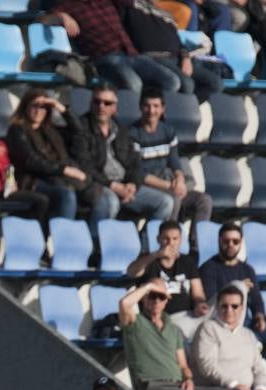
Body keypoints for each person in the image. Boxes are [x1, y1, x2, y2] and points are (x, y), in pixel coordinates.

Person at [120, 279, 235, 390]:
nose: (157, 301)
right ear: (144, 298)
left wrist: (188, 379)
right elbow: (124, 303)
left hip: (178, 386)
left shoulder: (173, 329)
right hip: (151, 387)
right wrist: (150, 286)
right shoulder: (135, 322)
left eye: (161, 297)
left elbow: (183, 366)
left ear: (167, 300)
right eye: (152, 296)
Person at [69, 84, 175, 223]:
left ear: (114, 107)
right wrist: (113, 185)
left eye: (107, 103)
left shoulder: (121, 129)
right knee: (111, 202)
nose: (101, 106)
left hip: (124, 184)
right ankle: (97, 243)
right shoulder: (81, 129)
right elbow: (85, 166)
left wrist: (133, 184)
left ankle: (145, 242)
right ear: (90, 103)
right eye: (97, 101)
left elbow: (135, 163)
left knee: (165, 202)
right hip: (98, 184)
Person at [199, 222, 266, 367]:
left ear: (241, 243)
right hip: (224, 323)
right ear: (219, 241)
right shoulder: (208, 268)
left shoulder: (247, 269)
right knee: (253, 342)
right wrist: (238, 285)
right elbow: (213, 302)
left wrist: (259, 317)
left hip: (248, 322)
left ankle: (257, 370)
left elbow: (256, 299)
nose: (230, 245)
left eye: (235, 241)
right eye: (226, 241)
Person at [5, 90, 102, 222]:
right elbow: (30, 161)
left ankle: (90, 238)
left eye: (44, 107)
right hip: (33, 180)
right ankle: (63, 237)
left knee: (101, 195)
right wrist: (64, 170)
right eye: (35, 106)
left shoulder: (51, 130)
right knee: (66, 195)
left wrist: (61, 108)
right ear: (25, 107)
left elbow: (79, 132)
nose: (39, 110)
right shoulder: (17, 130)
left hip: (58, 177)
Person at [46, 0, 179, 96]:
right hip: (106, 58)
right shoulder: (67, 6)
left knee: (172, 82)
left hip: (131, 53)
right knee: (134, 85)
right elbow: (43, 19)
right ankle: (133, 122)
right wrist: (63, 17)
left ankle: (152, 114)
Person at [129, 91, 211, 223]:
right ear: (140, 107)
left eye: (156, 106)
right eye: (147, 106)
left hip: (169, 181)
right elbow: (139, 173)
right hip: (150, 184)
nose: (151, 110)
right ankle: (167, 238)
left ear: (162, 108)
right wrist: (169, 186)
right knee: (174, 200)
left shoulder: (168, 130)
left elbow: (175, 163)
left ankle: (197, 243)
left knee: (203, 200)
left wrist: (179, 180)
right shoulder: (133, 134)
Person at [124, 0, 224, 102]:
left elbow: (178, 41)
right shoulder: (131, 8)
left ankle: (183, 110)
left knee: (216, 84)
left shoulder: (165, 14)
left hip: (177, 57)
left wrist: (186, 58)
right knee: (187, 84)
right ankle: (176, 111)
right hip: (155, 57)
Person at [127, 219, 205, 315]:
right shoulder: (149, 261)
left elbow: (198, 293)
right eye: (166, 239)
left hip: (187, 315)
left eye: (175, 239)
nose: (170, 243)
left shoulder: (187, 262)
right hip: (160, 317)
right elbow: (131, 272)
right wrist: (156, 255)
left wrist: (199, 304)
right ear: (158, 239)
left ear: (180, 240)